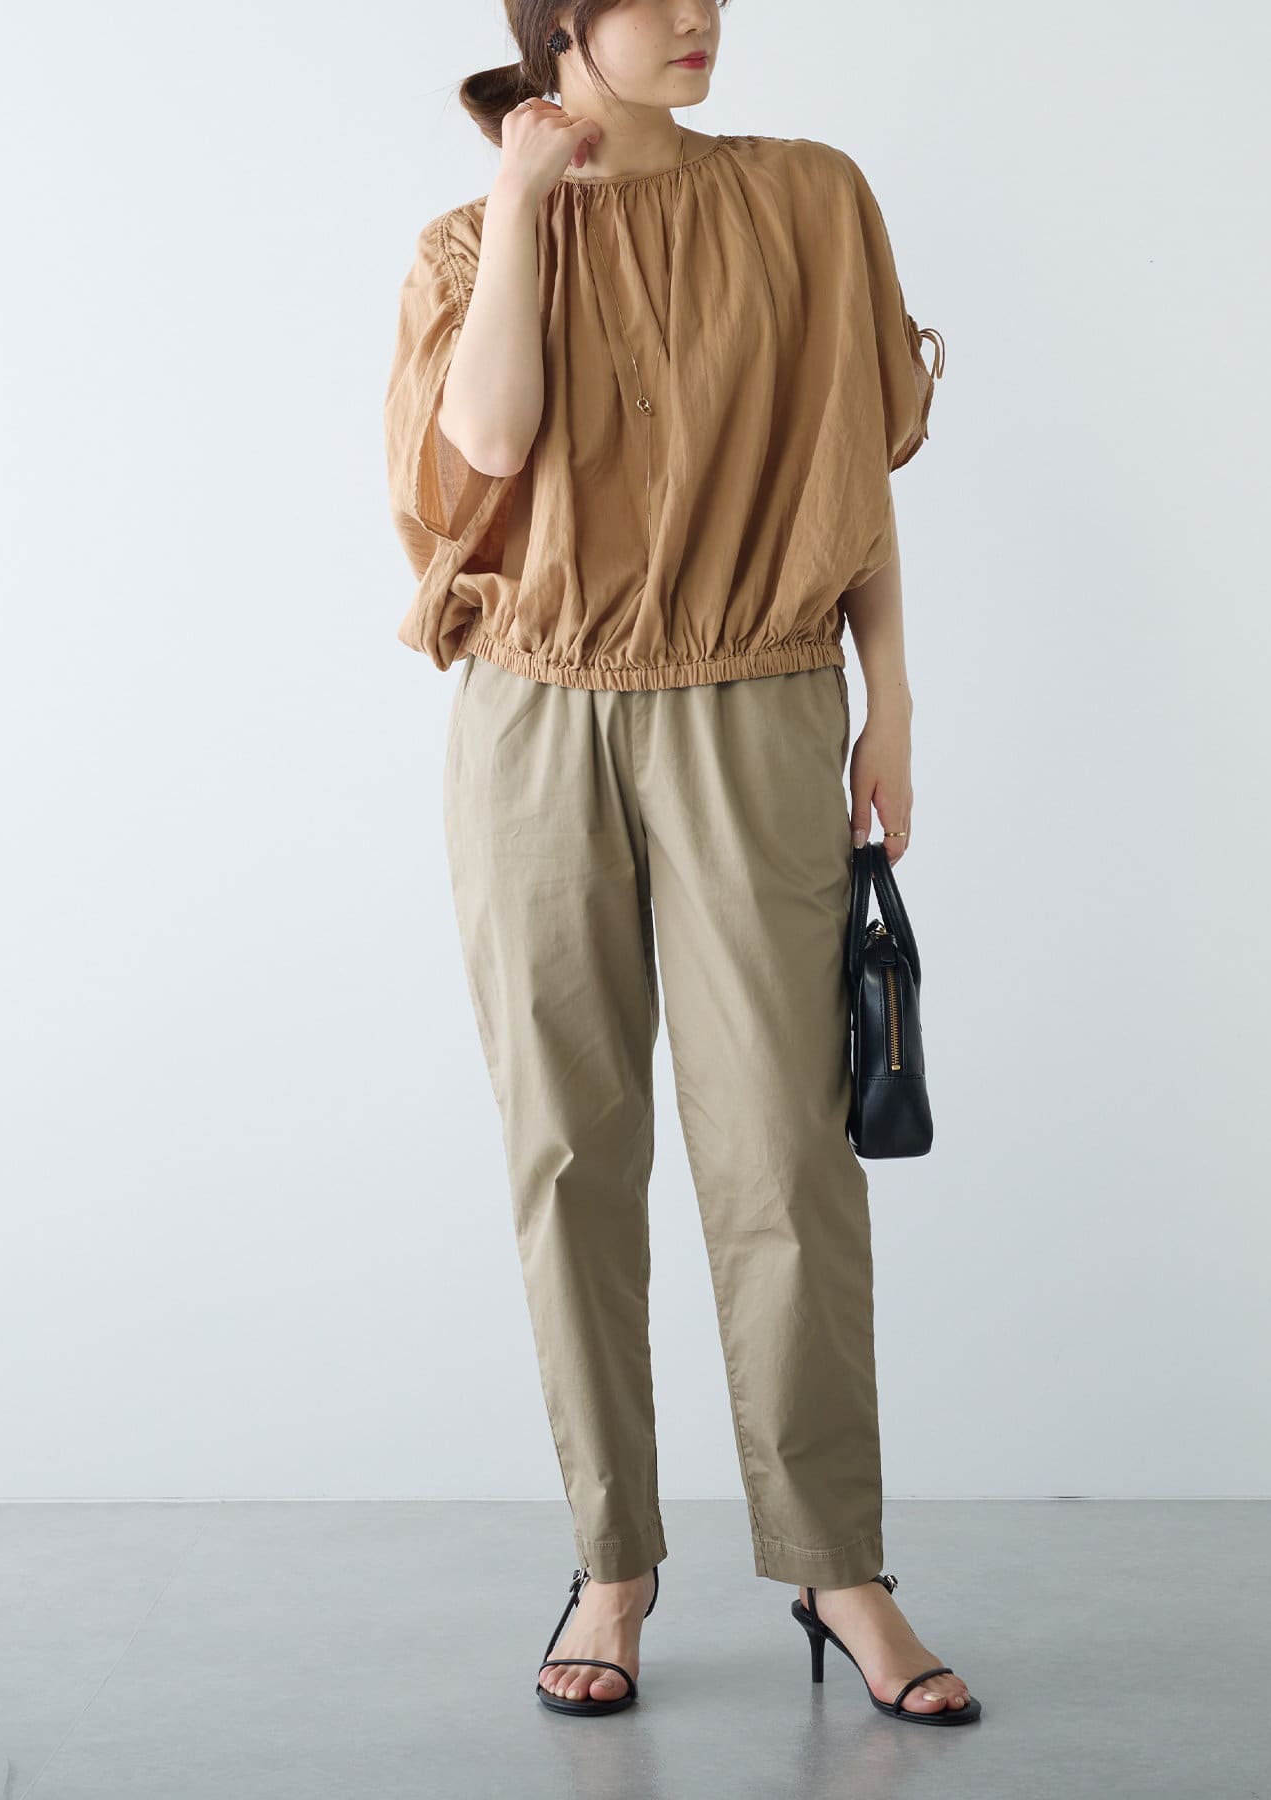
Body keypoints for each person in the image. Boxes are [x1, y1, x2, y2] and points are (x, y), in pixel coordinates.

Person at [383, 1, 974, 1726]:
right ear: (561, 20)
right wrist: (519, 203)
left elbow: (853, 469)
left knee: (785, 1152)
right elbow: (489, 450)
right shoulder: (463, 244)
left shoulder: (806, 196)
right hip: (533, 717)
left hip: (760, 702)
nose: (702, 12)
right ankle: (612, 1564)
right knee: (570, 1152)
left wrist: (891, 701)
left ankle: (838, 1565)